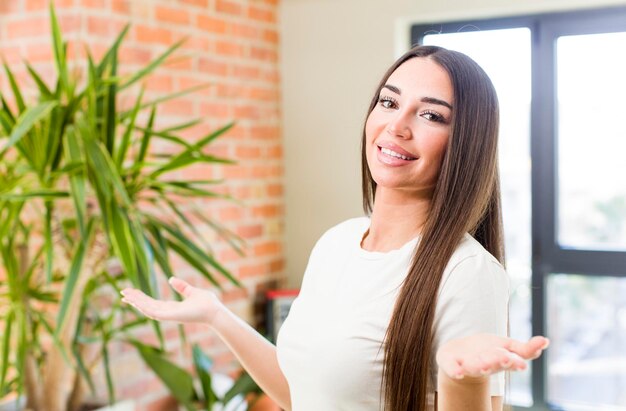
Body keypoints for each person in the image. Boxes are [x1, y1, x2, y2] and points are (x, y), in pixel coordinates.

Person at [121, 45, 549, 411]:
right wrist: (217, 316)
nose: (396, 126)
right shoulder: (337, 242)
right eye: (389, 102)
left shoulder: (466, 273)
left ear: (466, 143)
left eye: (432, 116)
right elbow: (302, 393)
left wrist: (462, 379)